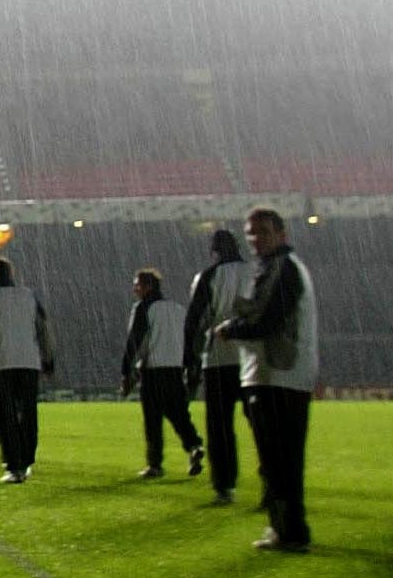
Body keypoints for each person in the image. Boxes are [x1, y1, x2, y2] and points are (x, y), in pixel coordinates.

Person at [214, 207, 317, 553]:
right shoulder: (278, 268)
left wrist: (231, 329)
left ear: (281, 234)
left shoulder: (283, 269)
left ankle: (288, 529)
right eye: (251, 233)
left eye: (263, 232)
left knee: (278, 458)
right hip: (278, 374)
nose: (255, 239)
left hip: (277, 374)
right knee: (280, 458)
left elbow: (269, 320)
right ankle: (288, 526)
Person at [184, 228, 256, 504]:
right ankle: (272, 481)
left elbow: (194, 320)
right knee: (261, 424)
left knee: (220, 427)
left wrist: (189, 360)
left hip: (219, 360)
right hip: (252, 360)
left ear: (213, 251)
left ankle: (224, 486)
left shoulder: (208, 277)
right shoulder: (254, 272)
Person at [0, 256, 56, 484]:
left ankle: (13, 465)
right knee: (28, 414)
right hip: (29, 362)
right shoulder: (29, 296)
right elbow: (43, 328)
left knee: (5, 416)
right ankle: (27, 461)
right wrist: (48, 360)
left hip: (1, 363)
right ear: (12, 273)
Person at [120, 267, 204, 480]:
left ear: (148, 286)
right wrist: (190, 366)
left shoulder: (143, 308)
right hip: (175, 370)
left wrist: (126, 370)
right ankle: (194, 445)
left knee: (153, 420)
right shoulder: (177, 309)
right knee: (179, 415)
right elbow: (188, 343)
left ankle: (155, 464)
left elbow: (134, 341)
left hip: (153, 371)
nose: (135, 289)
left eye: (137, 284)